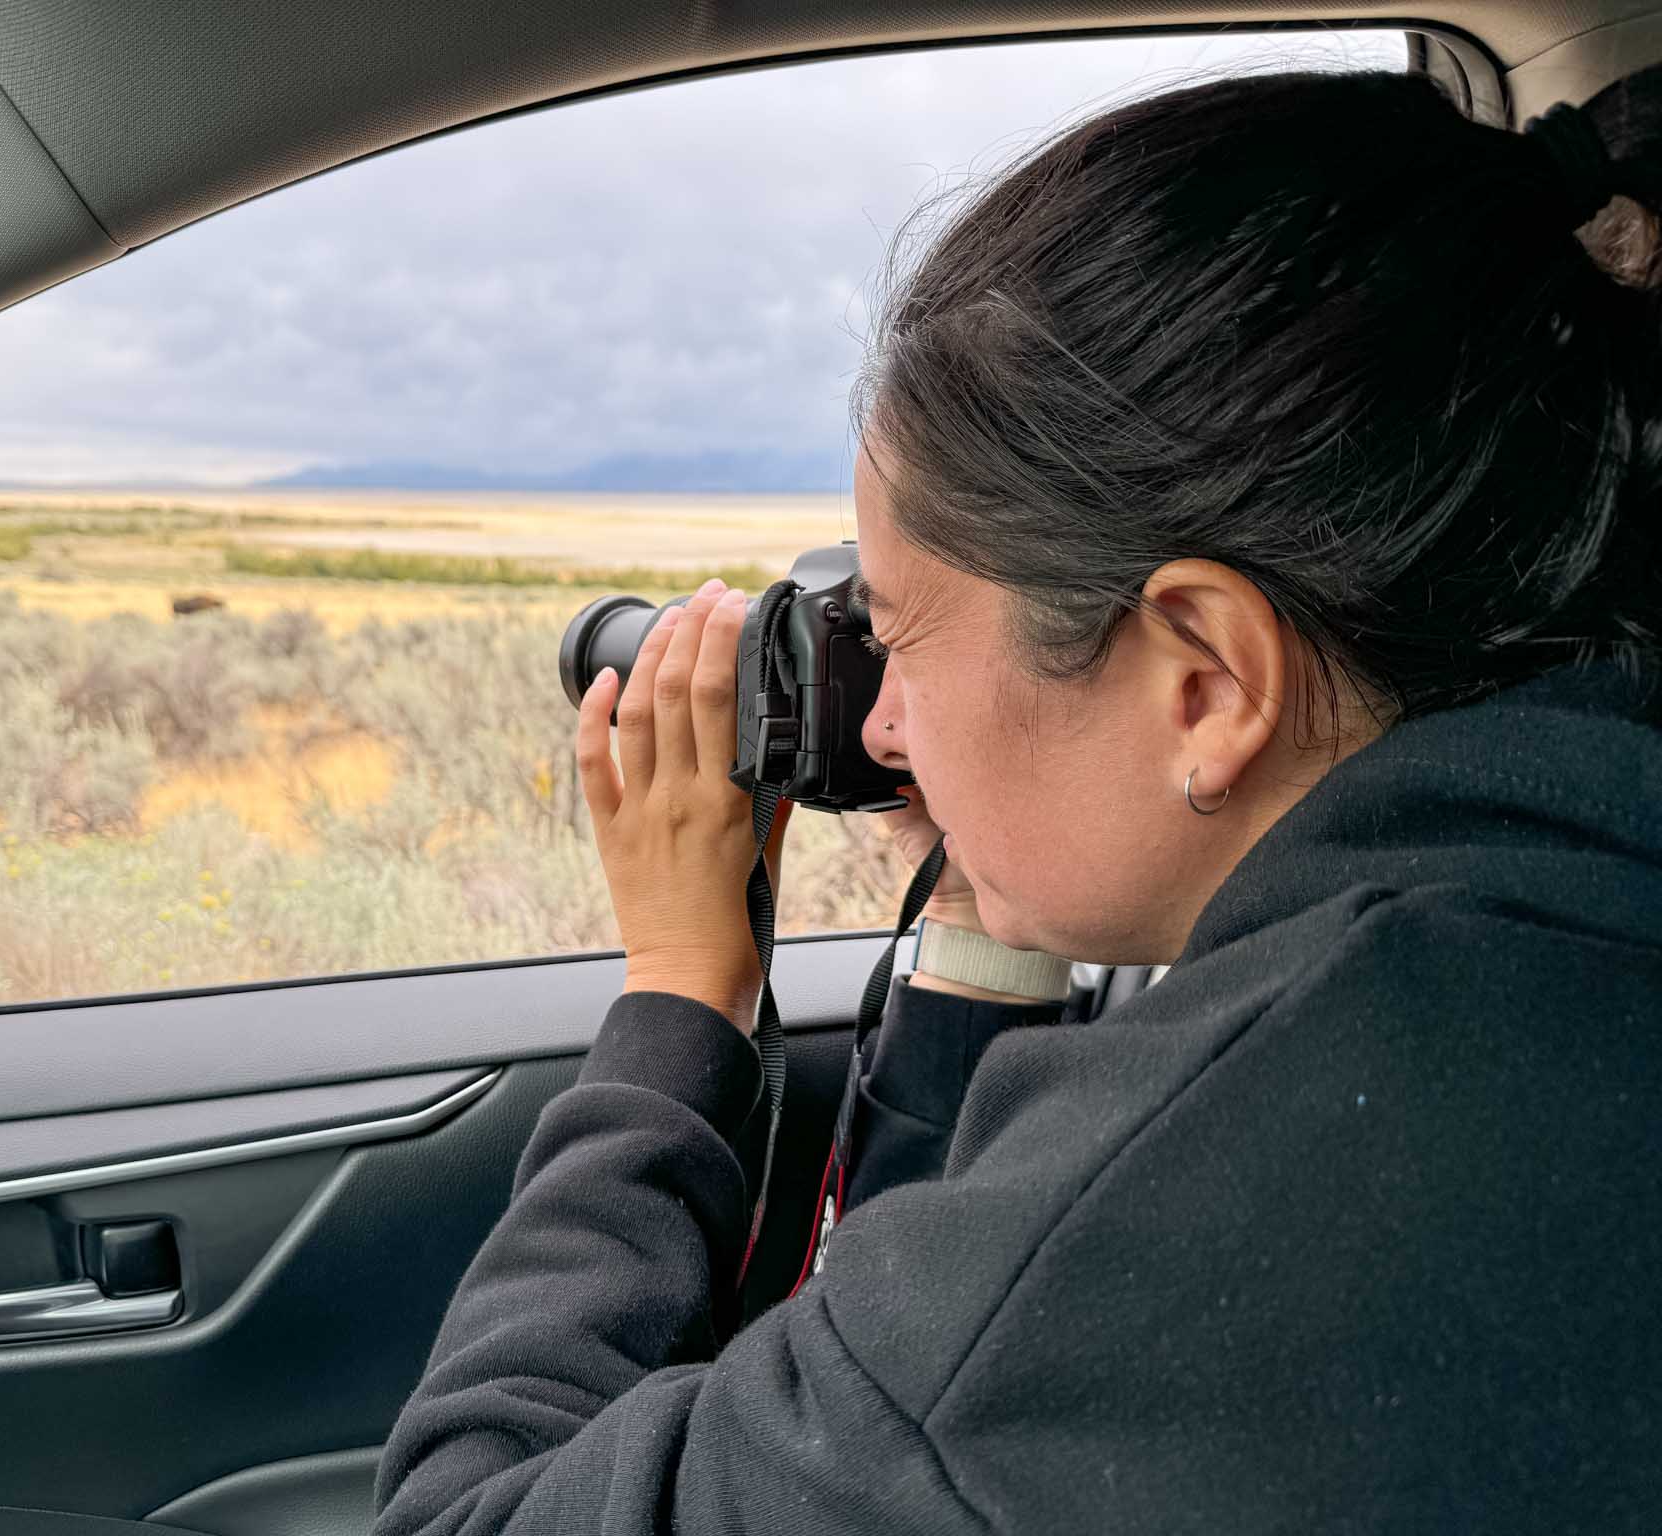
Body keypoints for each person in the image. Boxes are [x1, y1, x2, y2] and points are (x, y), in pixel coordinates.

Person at [375, 63, 1662, 1533]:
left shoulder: (1219, 1195)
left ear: (1207, 682)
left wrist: (679, 984)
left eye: (903, 635)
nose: (889, 725)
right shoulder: (1548, 911)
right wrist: (994, 887)